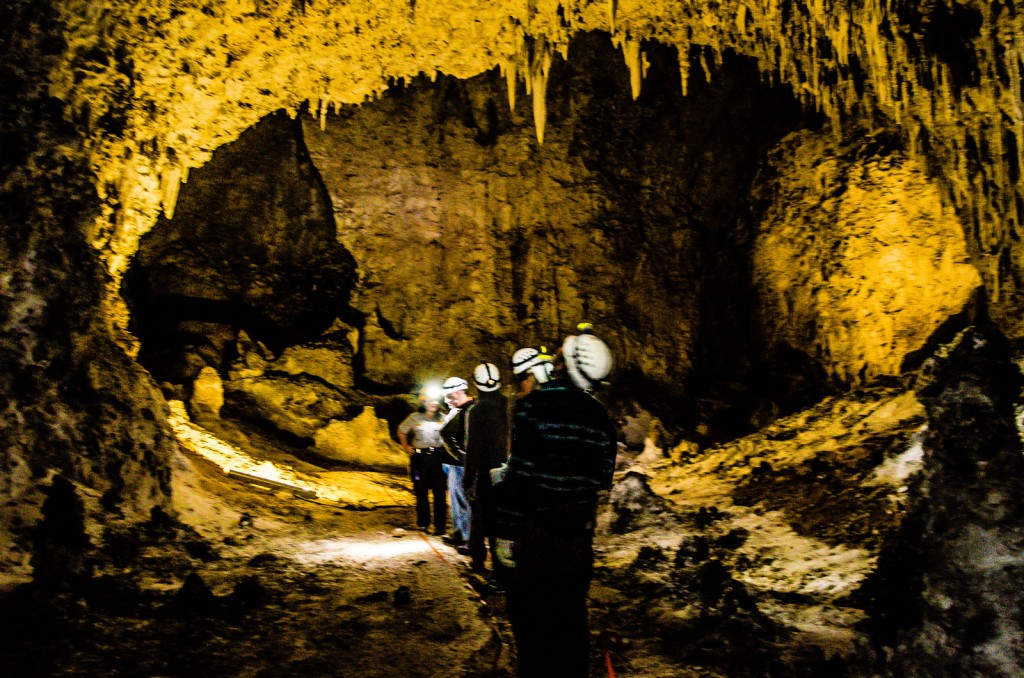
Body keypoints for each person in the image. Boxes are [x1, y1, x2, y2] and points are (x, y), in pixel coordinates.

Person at [495, 331, 617, 678]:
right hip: (577, 540)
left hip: (537, 537)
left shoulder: (535, 405)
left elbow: (519, 477)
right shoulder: (599, 416)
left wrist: (504, 533)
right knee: (570, 624)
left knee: (533, 630)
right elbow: (602, 479)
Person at [463, 362, 510, 573]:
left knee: (480, 521)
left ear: (477, 384)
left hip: (485, 474)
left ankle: (479, 563)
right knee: (503, 522)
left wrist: (467, 478)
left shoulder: (477, 411)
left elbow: (474, 447)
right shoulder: (509, 406)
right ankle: (502, 567)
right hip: (510, 473)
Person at [396, 388, 447, 535]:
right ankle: (423, 523)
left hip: (438, 458)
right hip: (420, 459)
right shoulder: (414, 418)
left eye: (437, 400)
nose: (434, 403)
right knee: (421, 490)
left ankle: (440, 526)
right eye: (431, 400)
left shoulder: (444, 418)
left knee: (439, 493)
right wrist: (406, 446)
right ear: (424, 402)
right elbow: (402, 430)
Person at [440, 376, 474, 549]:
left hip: (461, 464)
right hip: (456, 464)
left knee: (464, 501)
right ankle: (460, 532)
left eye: (449, 396)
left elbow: (445, 432)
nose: (447, 400)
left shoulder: (468, 410)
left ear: (459, 392)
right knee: (456, 501)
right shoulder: (461, 410)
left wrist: (459, 455)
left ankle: (468, 538)